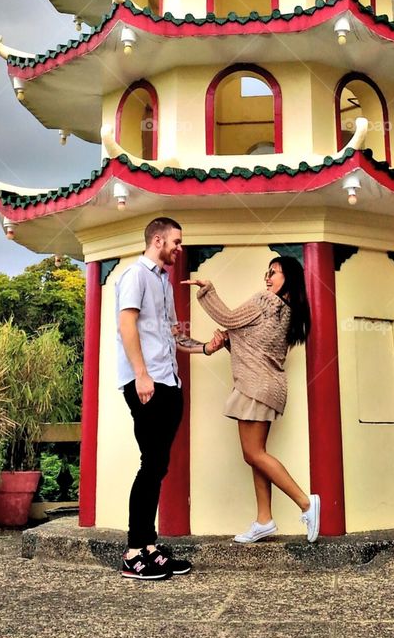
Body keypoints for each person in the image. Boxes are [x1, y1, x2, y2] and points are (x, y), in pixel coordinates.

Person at [184, 255, 320, 544]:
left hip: (255, 387)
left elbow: (229, 318)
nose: (267, 278)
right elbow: (255, 350)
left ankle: (306, 503)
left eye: (274, 272)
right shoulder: (287, 312)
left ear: (289, 278)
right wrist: (228, 341)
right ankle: (264, 520)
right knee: (257, 453)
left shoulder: (265, 301)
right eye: (266, 273)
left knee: (253, 454)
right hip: (269, 387)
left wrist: (207, 290)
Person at [116, 216, 223, 580]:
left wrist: (206, 347)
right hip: (146, 384)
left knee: (158, 465)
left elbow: (175, 336)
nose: (180, 247)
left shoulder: (163, 282)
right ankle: (133, 551)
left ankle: (149, 547)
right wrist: (141, 375)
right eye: (176, 241)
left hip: (168, 382)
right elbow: (126, 325)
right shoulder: (135, 276)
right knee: (151, 464)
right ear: (158, 240)